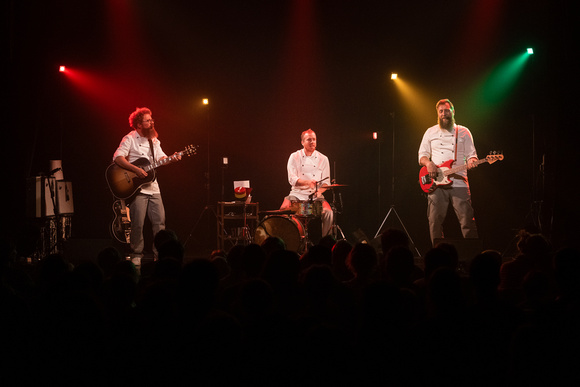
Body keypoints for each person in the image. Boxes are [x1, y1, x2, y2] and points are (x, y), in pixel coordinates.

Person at [112, 107, 179, 266]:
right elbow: (117, 158)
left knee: (160, 223)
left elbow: (162, 158)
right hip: (138, 189)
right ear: (139, 124)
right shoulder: (130, 138)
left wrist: (173, 158)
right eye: (148, 120)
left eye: (152, 119)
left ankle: (160, 255)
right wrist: (136, 169)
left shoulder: (154, 140)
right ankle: (136, 255)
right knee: (138, 223)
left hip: (154, 188)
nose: (152, 122)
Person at [418, 99, 478, 244]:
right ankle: (438, 255)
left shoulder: (463, 131)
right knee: (434, 221)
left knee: (467, 221)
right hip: (436, 182)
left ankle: (473, 257)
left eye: (446, 110)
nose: (444, 114)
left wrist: (472, 162)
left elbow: (472, 155)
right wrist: (429, 164)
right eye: (441, 111)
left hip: (459, 181)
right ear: (437, 113)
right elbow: (422, 155)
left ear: (453, 111)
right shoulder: (430, 132)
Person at [280, 129, 333, 238]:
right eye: (309, 140)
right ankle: (288, 241)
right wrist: (308, 183)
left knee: (328, 213)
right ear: (302, 142)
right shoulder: (294, 157)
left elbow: (326, 183)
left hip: (315, 197)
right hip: (296, 194)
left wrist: (318, 192)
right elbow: (292, 179)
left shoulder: (323, 159)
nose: (312, 142)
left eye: (314, 139)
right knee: (282, 212)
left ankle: (326, 242)